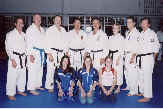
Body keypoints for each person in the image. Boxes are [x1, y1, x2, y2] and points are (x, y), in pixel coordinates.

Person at [137, 17, 160, 103]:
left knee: (147, 77)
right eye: (142, 23)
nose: (143, 24)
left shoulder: (152, 33)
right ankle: (143, 92)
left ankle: (147, 96)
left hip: (148, 58)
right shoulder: (141, 33)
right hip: (140, 58)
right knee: (141, 76)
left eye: (145, 23)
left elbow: (157, 47)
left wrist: (153, 59)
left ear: (149, 24)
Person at [5, 17, 27, 100]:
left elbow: (26, 47)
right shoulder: (10, 34)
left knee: (22, 75)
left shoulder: (24, 35)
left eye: (22, 23)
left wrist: (27, 57)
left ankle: (20, 90)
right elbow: (8, 48)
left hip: (23, 57)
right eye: (19, 22)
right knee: (12, 76)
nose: (20, 24)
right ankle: (10, 93)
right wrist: (12, 59)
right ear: (15, 24)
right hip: (14, 58)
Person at [45, 16, 67, 93]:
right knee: (51, 70)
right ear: (54, 20)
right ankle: (49, 86)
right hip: (52, 52)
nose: (58, 21)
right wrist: (49, 54)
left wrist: (66, 52)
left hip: (61, 53)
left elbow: (65, 42)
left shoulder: (63, 30)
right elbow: (46, 42)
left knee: (61, 70)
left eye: (60, 20)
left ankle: (60, 85)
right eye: (56, 20)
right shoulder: (50, 30)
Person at [26, 14, 46, 95]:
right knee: (32, 70)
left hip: (41, 52)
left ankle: (37, 85)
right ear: (33, 19)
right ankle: (31, 88)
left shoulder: (42, 29)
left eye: (40, 18)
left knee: (39, 70)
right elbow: (28, 42)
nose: (39, 20)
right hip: (33, 52)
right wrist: (30, 54)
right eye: (37, 18)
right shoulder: (30, 29)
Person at [123, 16, 140, 96]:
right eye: (127, 22)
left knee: (133, 73)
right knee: (127, 72)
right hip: (127, 54)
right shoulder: (127, 32)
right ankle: (129, 86)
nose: (128, 24)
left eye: (130, 22)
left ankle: (134, 91)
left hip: (132, 55)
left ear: (134, 23)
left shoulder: (136, 33)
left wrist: (133, 57)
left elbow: (137, 47)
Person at [107, 23, 124, 93]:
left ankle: (119, 87)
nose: (114, 29)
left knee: (118, 71)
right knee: (112, 71)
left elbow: (122, 49)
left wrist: (118, 59)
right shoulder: (110, 37)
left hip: (118, 55)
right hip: (111, 55)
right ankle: (113, 86)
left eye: (116, 28)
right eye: (113, 28)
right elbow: (108, 48)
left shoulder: (121, 38)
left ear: (119, 29)